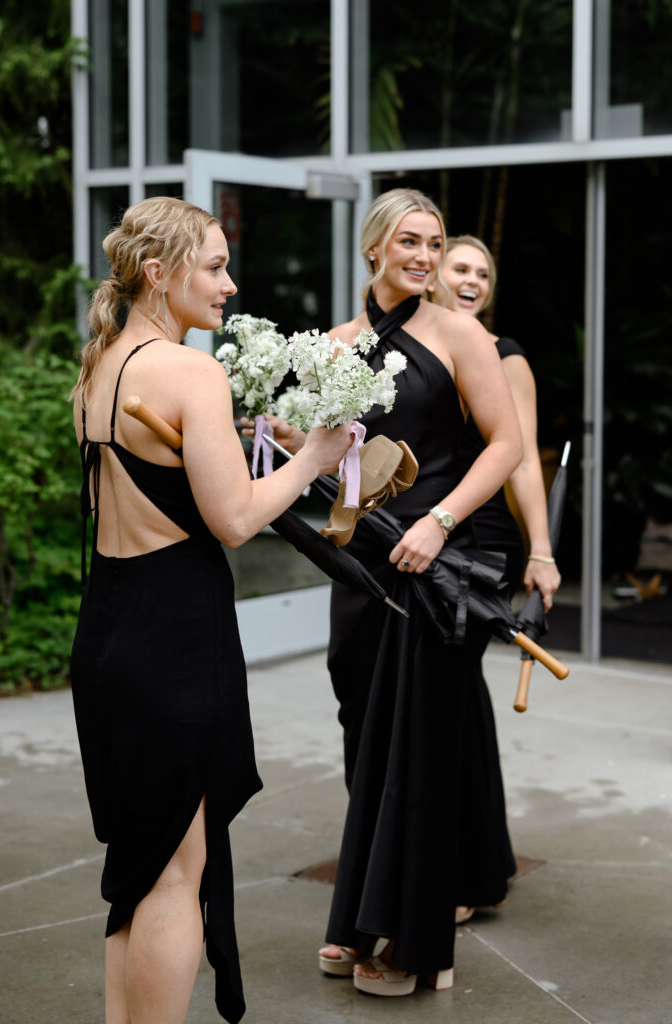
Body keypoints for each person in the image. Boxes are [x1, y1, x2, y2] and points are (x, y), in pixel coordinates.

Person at [69, 196, 351, 1024]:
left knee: (139, 866)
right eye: (215, 266)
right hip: (175, 640)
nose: (230, 284)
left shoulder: (100, 366)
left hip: (110, 630)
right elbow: (231, 520)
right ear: (158, 275)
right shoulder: (192, 371)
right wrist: (317, 459)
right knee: (173, 875)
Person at [253, 189, 523, 997]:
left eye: (433, 243)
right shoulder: (337, 345)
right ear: (373, 247)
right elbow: (340, 458)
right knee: (365, 740)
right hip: (362, 566)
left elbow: (507, 444)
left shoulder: (462, 334)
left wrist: (438, 521)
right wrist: (284, 436)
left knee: (420, 755)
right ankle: (360, 919)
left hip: (436, 569)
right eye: (408, 241)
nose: (423, 255)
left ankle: (414, 944)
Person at [431, 233, 561, 922]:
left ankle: (470, 872)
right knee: (442, 701)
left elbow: (519, 461)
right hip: (420, 540)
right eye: (460, 267)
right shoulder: (422, 346)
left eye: (482, 272)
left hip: (479, 540)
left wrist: (539, 550)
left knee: (453, 699)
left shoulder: (502, 356)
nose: (472, 279)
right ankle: (471, 857)